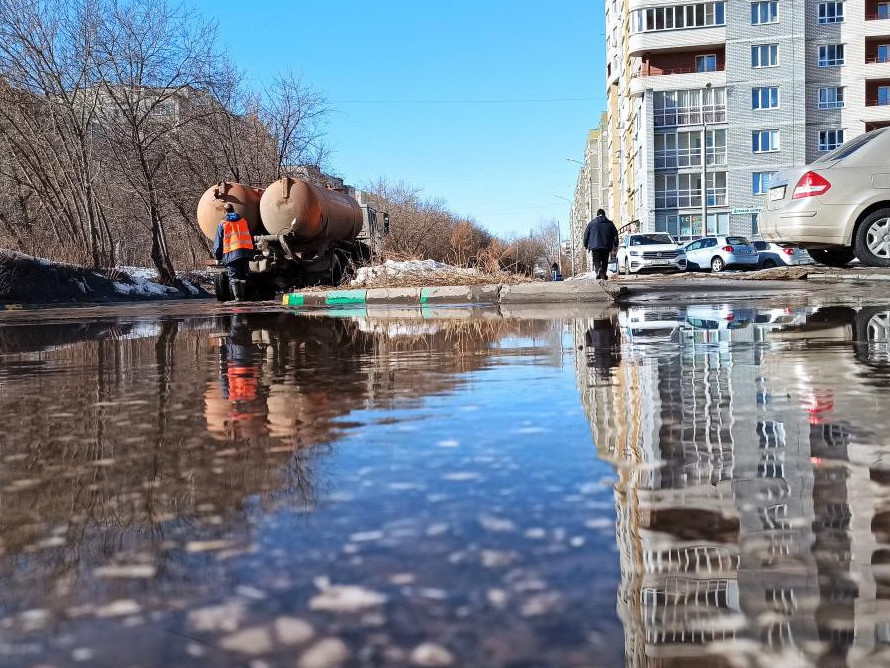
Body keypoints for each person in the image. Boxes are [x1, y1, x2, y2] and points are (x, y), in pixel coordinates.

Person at [214, 203, 255, 302]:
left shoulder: (223, 223)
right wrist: (252, 252)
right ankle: (242, 298)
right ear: (233, 210)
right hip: (245, 251)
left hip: (231, 252)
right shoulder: (243, 221)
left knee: (234, 276)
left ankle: (238, 298)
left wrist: (217, 256)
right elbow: (250, 235)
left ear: (225, 211)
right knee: (243, 275)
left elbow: (218, 241)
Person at [583, 208, 619, 280]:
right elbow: (615, 234)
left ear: (597, 215)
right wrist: (615, 244)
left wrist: (586, 244)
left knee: (596, 259)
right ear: (604, 215)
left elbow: (586, 235)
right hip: (606, 245)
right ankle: (603, 274)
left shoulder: (591, 223)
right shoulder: (610, 223)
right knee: (605, 260)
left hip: (595, 246)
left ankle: (599, 269)